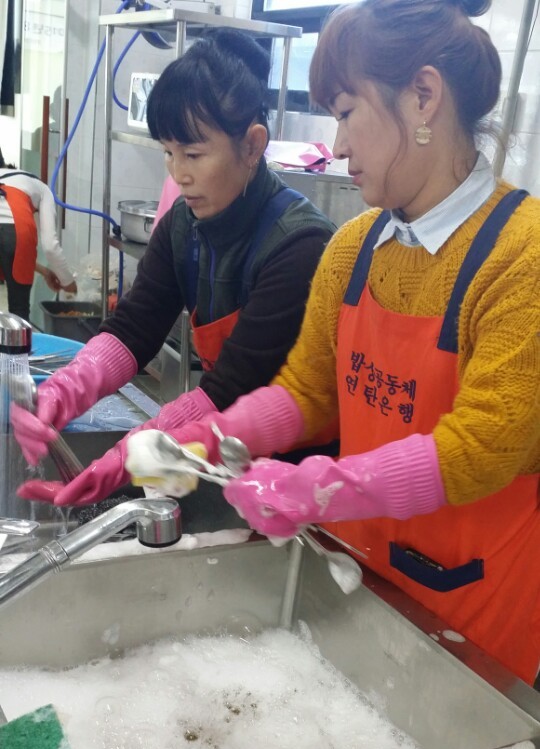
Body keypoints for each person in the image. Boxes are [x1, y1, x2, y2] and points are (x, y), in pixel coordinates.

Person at [125, 0, 540, 691]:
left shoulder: (522, 256)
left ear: (424, 96)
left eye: (346, 113)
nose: (338, 145)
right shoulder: (355, 248)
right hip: (356, 577)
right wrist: (215, 436)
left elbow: (483, 444)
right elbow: (309, 391)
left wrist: (322, 487)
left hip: (469, 615)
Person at [11, 27, 335, 501]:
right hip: (226, 458)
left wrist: (132, 455)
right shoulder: (184, 226)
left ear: (252, 145)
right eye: (168, 152)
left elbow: (230, 389)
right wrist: (65, 390)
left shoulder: (300, 247)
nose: (178, 174)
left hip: (303, 474)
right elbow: (133, 329)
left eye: (194, 154)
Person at [0, 148, 77, 319]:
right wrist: (68, 282)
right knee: (18, 313)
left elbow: (7, 249)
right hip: (16, 234)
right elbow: (50, 246)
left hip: (13, 238)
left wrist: (45, 272)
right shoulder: (41, 188)